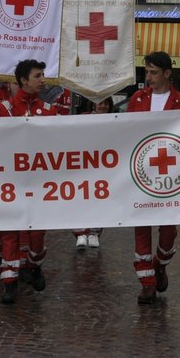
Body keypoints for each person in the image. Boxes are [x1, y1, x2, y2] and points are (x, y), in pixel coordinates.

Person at [0, 59, 66, 304]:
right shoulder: (2, 109)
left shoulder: (49, 111)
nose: (43, 80)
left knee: (37, 233)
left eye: (43, 75)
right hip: (9, 182)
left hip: (39, 184)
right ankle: (9, 281)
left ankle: (33, 265)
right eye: (38, 76)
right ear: (23, 80)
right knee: (10, 230)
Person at [125, 51, 180, 304]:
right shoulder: (138, 98)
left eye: (154, 72)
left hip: (169, 175)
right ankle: (147, 283)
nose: (149, 77)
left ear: (167, 73)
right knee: (141, 227)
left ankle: (160, 263)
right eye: (146, 72)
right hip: (141, 173)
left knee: (168, 230)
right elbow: (128, 130)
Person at [73, 95, 115, 251]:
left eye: (105, 103)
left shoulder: (116, 121)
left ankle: (94, 233)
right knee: (79, 199)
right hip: (83, 166)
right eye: (99, 103)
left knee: (100, 201)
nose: (102, 106)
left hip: (104, 168)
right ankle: (80, 234)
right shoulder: (82, 119)